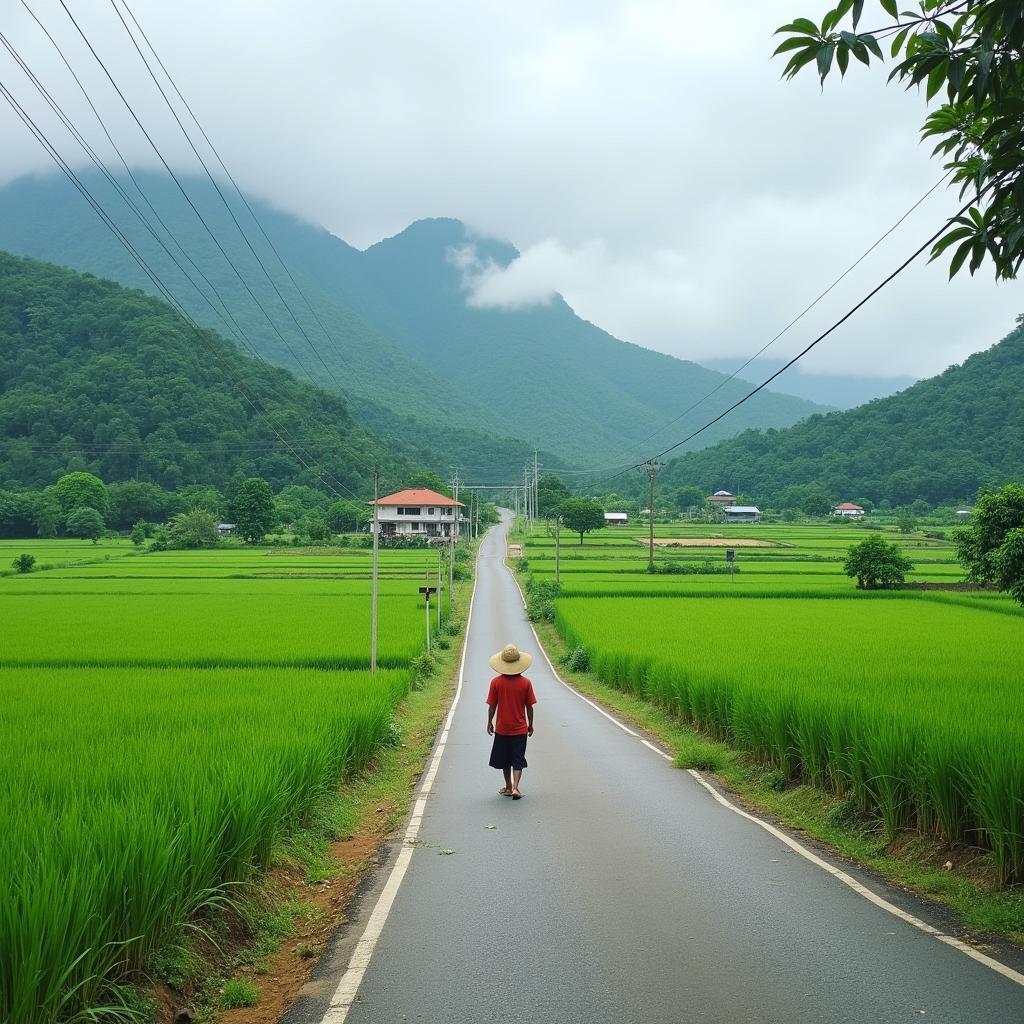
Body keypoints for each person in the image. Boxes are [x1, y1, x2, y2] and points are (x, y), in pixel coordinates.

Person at [486, 643, 537, 800]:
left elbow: (492, 706)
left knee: (505, 759)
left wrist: (489, 722)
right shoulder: (526, 683)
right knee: (517, 759)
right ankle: (516, 787)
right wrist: (530, 725)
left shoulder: (496, 682)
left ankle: (508, 786)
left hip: (502, 729)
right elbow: (529, 707)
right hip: (520, 729)